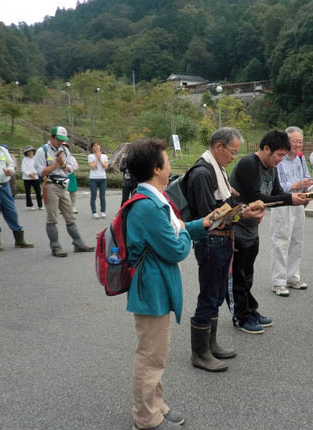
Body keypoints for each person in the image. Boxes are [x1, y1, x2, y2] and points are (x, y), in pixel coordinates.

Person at [124, 138, 215, 430]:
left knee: (156, 354)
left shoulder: (154, 199)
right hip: (152, 288)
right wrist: (188, 236)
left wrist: (204, 223)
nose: (170, 165)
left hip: (155, 285)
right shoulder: (149, 206)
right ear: (156, 168)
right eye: (166, 160)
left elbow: (176, 231)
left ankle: (157, 406)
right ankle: (145, 417)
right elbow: (176, 248)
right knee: (151, 356)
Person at [184, 127, 265, 372]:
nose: (233, 157)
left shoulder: (217, 169)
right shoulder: (202, 173)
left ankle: (211, 344)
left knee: (218, 295)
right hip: (211, 241)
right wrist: (243, 213)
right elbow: (211, 218)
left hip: (222, 240)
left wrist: (243, 210)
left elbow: (224, 207)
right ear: (218, 146)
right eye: (231, 152)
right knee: (208, 296)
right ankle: (200, 353)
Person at [229, 130, 308, 333]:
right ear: (266, 149)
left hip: (251, 228)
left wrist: (297, 196)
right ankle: (241, 317)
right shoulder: (248, 164)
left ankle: (250, 310)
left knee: (248, 274)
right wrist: (290, 199)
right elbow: (254, 197)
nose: (281, 160)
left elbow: (277, 194)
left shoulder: (271, 168)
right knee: (238, 276)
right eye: (279, 155)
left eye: (283, 155)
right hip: (235, 227)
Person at [34, 126, 94, 257]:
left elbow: (71, 168)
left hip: (63, 186)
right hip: (49, 185)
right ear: (52, 137)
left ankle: (78, 243)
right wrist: (56, 164)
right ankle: (55, 246)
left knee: (70, 216)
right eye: (58, 139)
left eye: (63, 140)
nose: (60, 142)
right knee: (52, 218)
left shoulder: (65, 150)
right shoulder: (42, 151)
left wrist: (63, 165)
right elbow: (40, 172)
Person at [270, 126, 313, 297]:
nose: (297, 144)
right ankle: (278, 281)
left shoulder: (300, 159)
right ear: (287, 141)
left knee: (297, 240)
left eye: (300, 141)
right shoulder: (279, 159)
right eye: (294, 141)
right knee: (281, 241)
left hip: (299, 202)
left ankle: (292, 276)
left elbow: (306, 177)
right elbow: (278, 185)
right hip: (282, 202)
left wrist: (310, 188)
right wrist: (295, 186)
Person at [88, 141, 108, 218]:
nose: (97, 147)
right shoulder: (90, 156)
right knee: (93, 195)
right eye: (95, 146)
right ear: (92, 148)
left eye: (98, 145)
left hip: (103, 178)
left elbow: (105, 167)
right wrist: (96, 158)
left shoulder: (104, 156)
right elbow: (92, 166)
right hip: (93, 178)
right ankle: (94, 212)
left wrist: (100, 159)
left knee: (102, 196)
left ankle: (103, 211)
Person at [21, 146, 42, 211]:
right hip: (27, 178)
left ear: (33, 151)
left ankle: (40, 205)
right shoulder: (24, 159)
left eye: (31, 151)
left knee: (38, 191)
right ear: (26, 153)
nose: (30, 152)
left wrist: (34, 173)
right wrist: (30, 174)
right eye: (28, 151)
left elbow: (39, 167)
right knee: (28, 192)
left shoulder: (36, 158)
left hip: (35, 177)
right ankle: (31, 205)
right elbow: (23, 169)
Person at [62, 141, 79, 213]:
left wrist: (68, 167)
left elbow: (76, 167)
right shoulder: (57, 157)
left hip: (71, 175)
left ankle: (73, 207)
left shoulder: (72, 158)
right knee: (63, 193)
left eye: (66, 147)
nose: (64, 148)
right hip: (62, 176)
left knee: (73, 192)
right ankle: (63, 208)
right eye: (63, 146)